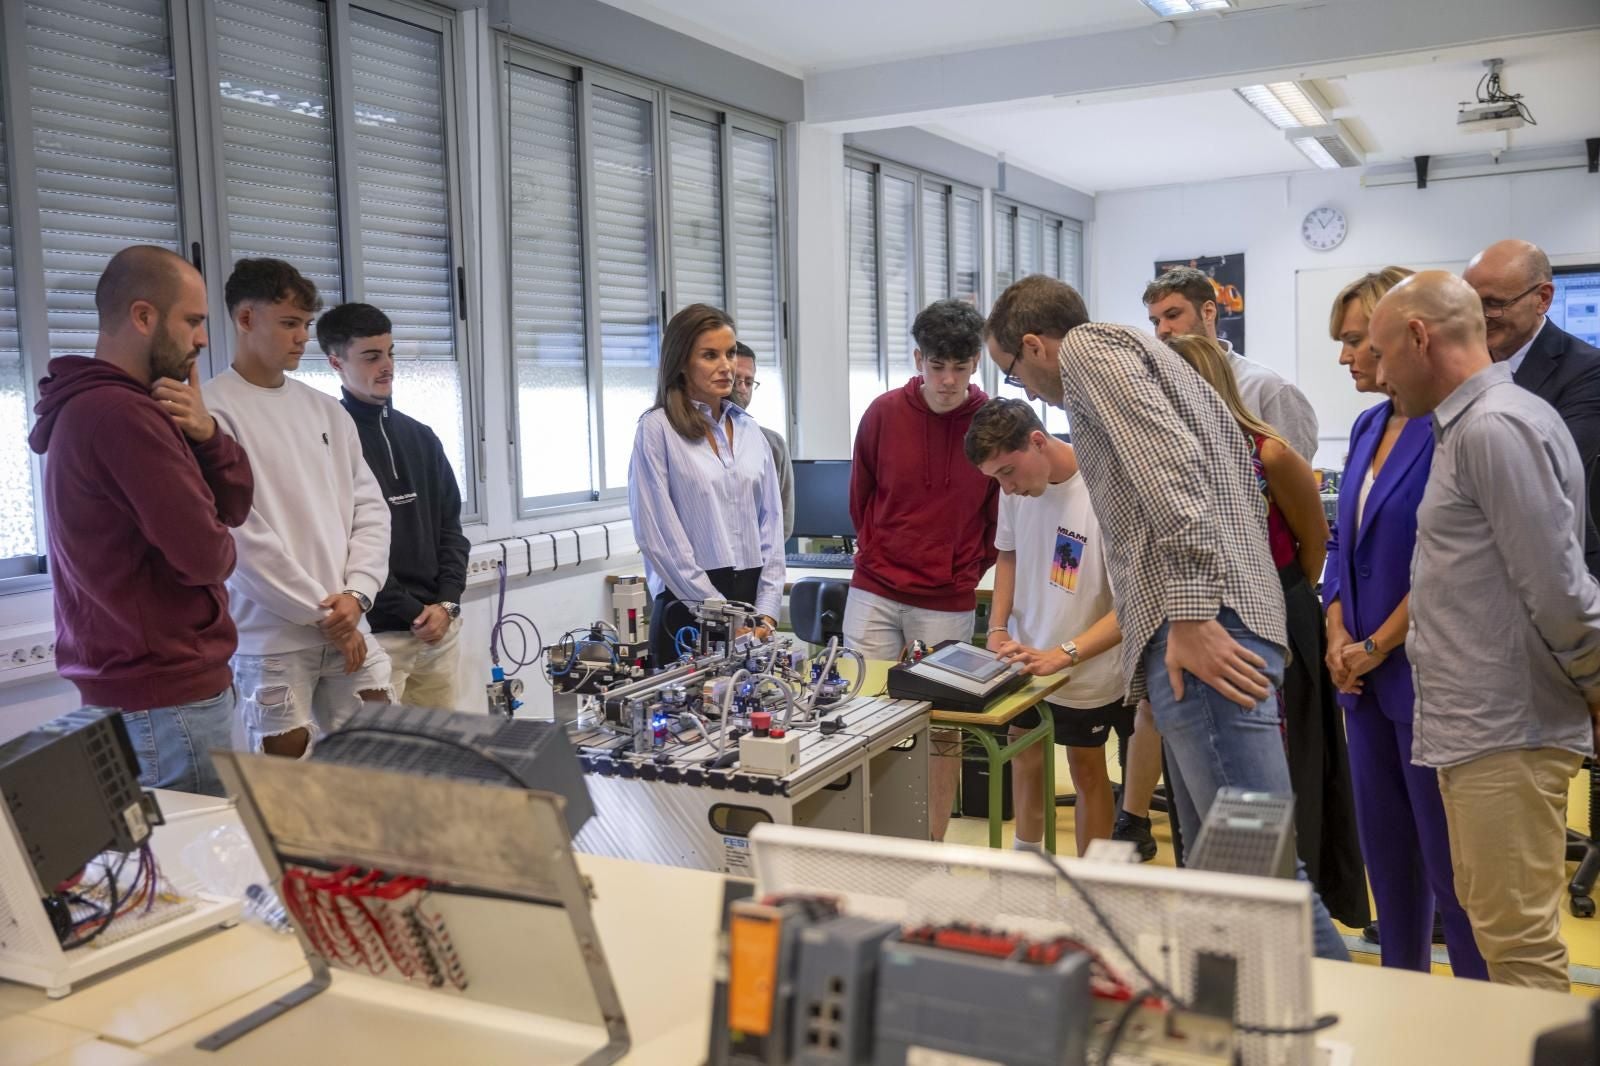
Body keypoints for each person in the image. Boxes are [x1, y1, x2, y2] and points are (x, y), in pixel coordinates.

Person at [984, 273, 1348, 961]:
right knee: (1227, 871)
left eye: (1012, 372)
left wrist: (1188, 615)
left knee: (1258, 878)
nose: (1026, 393)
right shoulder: (1131, 355)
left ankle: (1335, 1032)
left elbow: (1172, 472)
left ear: (1034, 344)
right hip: (1218, 622)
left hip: (1208, 631)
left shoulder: (1092, 352)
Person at [1369, 270, 1600, 991]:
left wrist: (1597, 682)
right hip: (1477, 725)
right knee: (1495, 924)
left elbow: (1559, 585)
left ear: (1418, 337)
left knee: (1517, 941)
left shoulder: (1496, 427)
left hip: (1508, 727)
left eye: (1380, 353)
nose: (1377, 376)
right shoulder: (1471, 424)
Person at [29, 246, 253, 796]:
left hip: (142, 692)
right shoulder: (122, 417)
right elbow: (209, 554)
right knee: (197, 872)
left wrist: (206, 435)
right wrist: (219, 539)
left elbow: (233, 507)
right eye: (194, 321)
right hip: (169, 699)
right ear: (144, 316)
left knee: (168, 871)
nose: (203, 339)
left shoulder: (99, 409)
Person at [1167, 333, 1369, 930]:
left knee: (1289, 772)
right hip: (1206, 623)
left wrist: (1275, 600)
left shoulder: (1271, 454)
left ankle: (1296, 901)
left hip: (1280, 610)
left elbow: (1313, 546)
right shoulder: (1172, 462)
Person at [1320, 267, 1486, 979]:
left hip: (1425, 678)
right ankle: (1402, 1001)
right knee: (1389, 866)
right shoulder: (1366, 425)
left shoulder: (1451, 428)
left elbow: (1450, 560)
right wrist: (1335, 634)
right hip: (1360, 683)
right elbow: (1338, 545)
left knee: (1455, 877)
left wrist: (1376, 643)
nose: (1349, 357)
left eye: (1359, 341)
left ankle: (1486, 1015)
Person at [203, 259, 392, 757]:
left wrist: (357, 596)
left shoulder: (325, 409)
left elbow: (370, 510)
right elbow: (241, 537)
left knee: (383, 761)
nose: (302, 337)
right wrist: (324, 614)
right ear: (245, 320)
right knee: (288, 786)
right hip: (271, 640)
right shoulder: (213, 412)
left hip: (350, 620)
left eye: (306, 325)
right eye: (288, 323)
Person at [966, 398, 1164, 857]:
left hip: (1088, 665)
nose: (1007, 487)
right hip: (1025, 655)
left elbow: (1134, 605)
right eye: (996, 478)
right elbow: (1008, 554)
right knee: (1024, 755)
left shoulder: (1103, 491)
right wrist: (997, 627)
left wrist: (1065, 653)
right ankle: (1027, 867)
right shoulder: (1014, 489)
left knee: (1086, 769)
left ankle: (1089, 887)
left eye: (1008, 473)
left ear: (1038, 441)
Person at [846, 298, 1000, 842]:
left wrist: (963, 570)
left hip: (949, 597)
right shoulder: (884, 413)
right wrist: (878, 552)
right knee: (862, 712)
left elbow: (995, 516)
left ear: (977, 362)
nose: (948, 380)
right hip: (876, 589)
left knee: (942, 727)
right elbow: (862, 496)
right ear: (918, 359)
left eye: (960, 367)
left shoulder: (989, 420)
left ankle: (930, 841)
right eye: (938, 366)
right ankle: (867, 831)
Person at [320, 303, 469, 708]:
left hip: (439, 631)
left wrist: (447, 603)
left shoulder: (421, 437)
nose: (387, 366)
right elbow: (342, 547)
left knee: (443, 758)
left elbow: (451, 531)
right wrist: (412, 611)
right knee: (383, 764)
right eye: (371, 356)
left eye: (390, 353)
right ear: (336, 362)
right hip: (377, 634)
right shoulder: (330, 444)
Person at [629, 304, 784, 669]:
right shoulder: (657, 429)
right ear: (682, 363)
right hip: (687, 609)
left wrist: (767, 612)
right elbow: (659, 538)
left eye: (729, 353)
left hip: (750, 609)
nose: (726, 366)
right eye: (710, 355)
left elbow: (772, 528)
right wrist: (721, 615)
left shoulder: (749, 430)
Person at [1463, 239, 1600, 579]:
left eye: (1493, 304)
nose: (1480, 318)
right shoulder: (1462, 371)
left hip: (1557, 573)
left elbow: (1548, 476)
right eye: (1469, 304)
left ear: (1543, 298)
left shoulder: (1588, 372)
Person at [1145, 266, 1319, 461]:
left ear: (1208, 312)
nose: (1162, 330)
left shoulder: (1268, 388)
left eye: (1173, 315)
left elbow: (1296, 479)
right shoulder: (1157, 389)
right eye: (1155, 322)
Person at [731, 342, 794, 541]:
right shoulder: (693, 439)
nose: (742, 388)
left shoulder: (772, 444)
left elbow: (783, 520)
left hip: (759, 562)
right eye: (735, 380)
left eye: (749, 382)